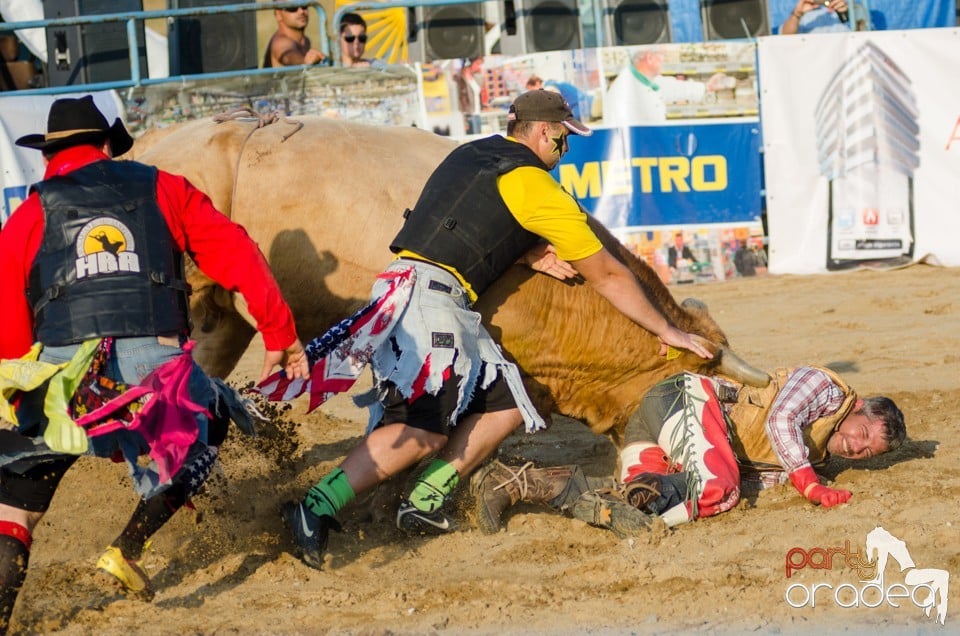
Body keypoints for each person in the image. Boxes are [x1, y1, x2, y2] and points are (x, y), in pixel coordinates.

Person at [265, 89, 714, 570]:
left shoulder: (471, 153)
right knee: (420, 429)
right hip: (432, 302)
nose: (564, 153)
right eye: (564, 142)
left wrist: (516, 249)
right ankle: (315, 507)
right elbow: (606, 274)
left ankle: (424, 498)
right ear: (544, 133)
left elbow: (446, 225)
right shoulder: (536, 185)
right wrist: (668, 330)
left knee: (508, 402)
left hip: (407, 287)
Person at [0, 96, 309, 630]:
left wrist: (19, 390)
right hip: (155, 369)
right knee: (209, 420)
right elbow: (235, 250)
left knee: (14, 503)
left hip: (62, 371)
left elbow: (8, 317)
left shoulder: (30, 213)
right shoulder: (163, 188)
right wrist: (279, 332)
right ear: (106, 146)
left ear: (50, 155)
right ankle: (127, 548)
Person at [473, 366, 906, 534]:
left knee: (651, 495)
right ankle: (652, 525)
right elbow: (779, 420)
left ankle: (521, 483)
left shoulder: (816, 456)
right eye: (863, 433)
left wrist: (805, 475)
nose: (856, 446)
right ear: (859, 407)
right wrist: (808, 485)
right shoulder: (825, 388)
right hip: (681, 399)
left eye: (866, 453)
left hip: (668, 431)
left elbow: (761, 471)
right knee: (720, 489)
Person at [603, 47, 730, 126]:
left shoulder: (645, 80)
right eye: (663, 55)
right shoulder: (624, 89)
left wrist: (707, 87)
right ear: (650, 58)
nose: (665, 60)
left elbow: (672, 87)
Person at [262, 4, 326, 68]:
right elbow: (288, 57)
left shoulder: (305, 40)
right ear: (278, 14)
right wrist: (304, 61)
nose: (301, 11)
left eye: (304, 6)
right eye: (292, 7)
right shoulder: (280, 43)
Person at [779, 0, 850, 35]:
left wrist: (846, 13)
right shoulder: (801, 11)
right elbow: (784, 37)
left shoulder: (852, 7)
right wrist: (797, 14)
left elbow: (859, 32)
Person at [455, 56, 486, 135]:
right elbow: (460, 98)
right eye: (477, 64)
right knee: (473, 139)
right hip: (468, 114)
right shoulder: (461, 78)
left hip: (477, 113)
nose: (479, 66)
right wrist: (464, 117)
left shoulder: (476, 77)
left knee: (479, 138)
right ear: (470, 63)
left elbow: (480, 89)